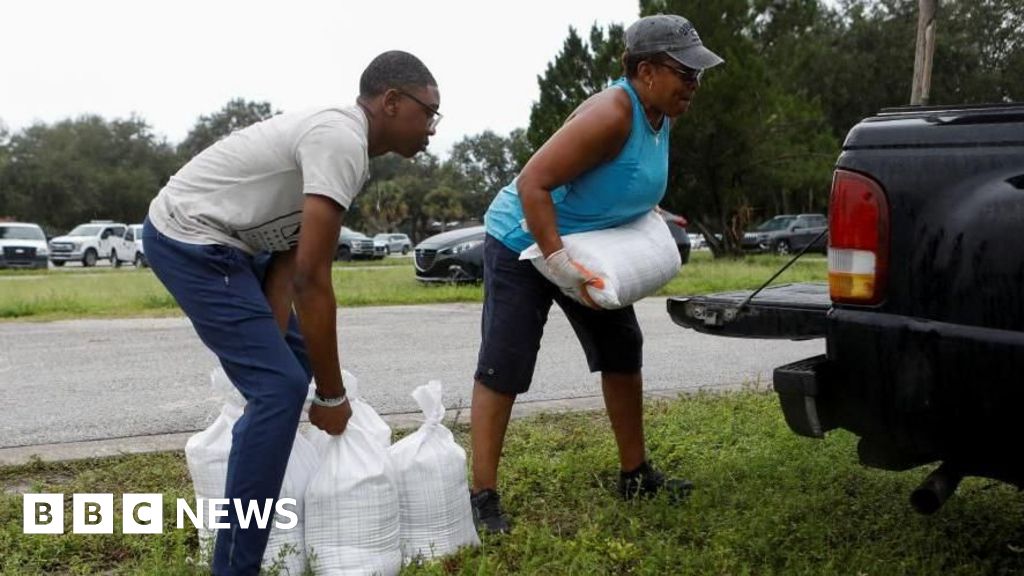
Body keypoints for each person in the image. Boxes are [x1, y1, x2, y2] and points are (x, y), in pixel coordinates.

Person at [143, 51, 441, 575]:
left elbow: (286, 264)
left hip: (237, 246)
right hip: (190, 238)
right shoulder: (340, 138)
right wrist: (331, 395)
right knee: (280, 388)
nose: (433, 128)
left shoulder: (349, 150)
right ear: (391, 102)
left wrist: (284, 354)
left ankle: (254, 443)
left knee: (285, 371)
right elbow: (312, 280)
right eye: (429, 112)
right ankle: (234, 567)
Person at [469, 14, 723, 534]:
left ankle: (635, 474)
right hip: (522, 242)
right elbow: (532, 183)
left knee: (621, 349)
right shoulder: (613, 112)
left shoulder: (663, 114)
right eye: (685, 73)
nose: (694, 85)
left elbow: (618, 179)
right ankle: (483, 495)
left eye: (699, 74)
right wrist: (557, 264)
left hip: (587, 245)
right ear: (647, 71)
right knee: (506, 363)